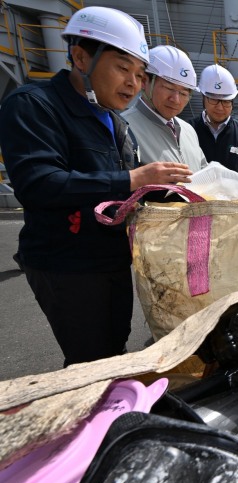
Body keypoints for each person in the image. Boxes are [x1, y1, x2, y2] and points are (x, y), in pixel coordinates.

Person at [0, 6, 192, 366]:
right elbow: (39, 184)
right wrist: (135, 178)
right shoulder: (34, 106)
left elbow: (130, 190)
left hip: (112, 260)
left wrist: (178, 193)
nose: (134, 83)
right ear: (80, 56)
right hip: (67, 264)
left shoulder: (113, 122)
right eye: (123, 68)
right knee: (89, 360)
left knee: (113, 351)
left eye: (139, 73)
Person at [123, 45, 208, 172]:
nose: (176, 100)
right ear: (145, 82)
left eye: (184, 93)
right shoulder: (123, 129)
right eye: (169, 88)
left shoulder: (188, 130)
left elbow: (203, 172)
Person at [190, 64, 238, 196]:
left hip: (234, 212)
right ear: (203, 97)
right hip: (196, 211)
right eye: (214, 99)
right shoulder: (188, 131)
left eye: (226, 101)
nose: (220, 107)